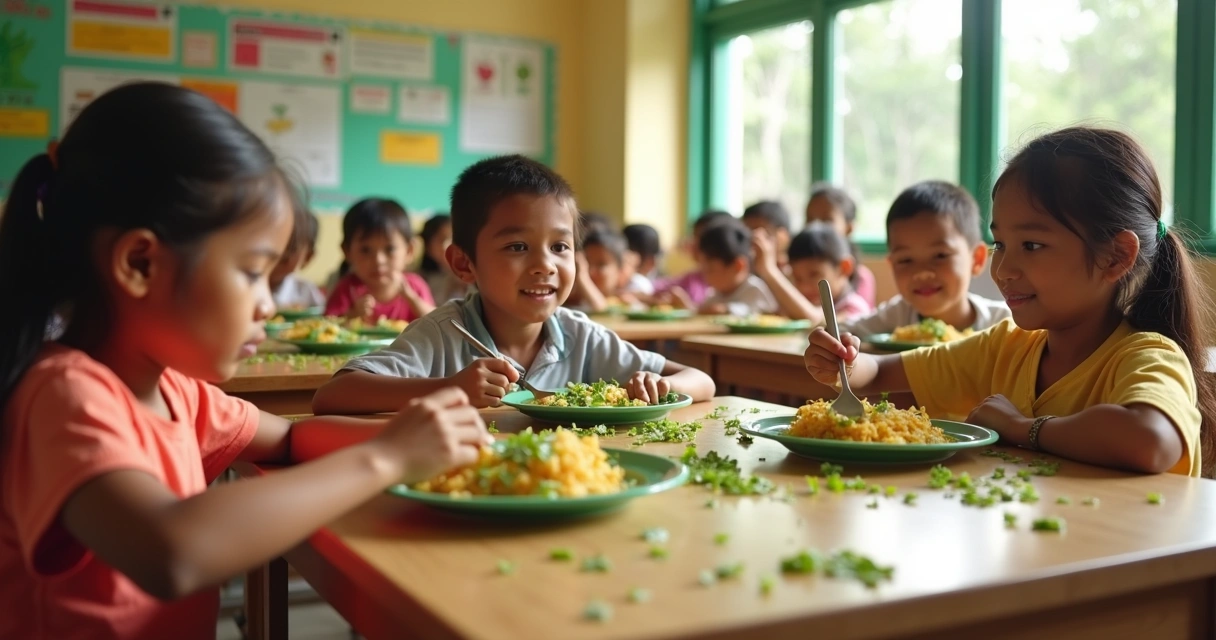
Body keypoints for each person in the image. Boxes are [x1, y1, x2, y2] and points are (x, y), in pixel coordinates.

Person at [0, 83, 490, 639]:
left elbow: (291, 438)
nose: (267, 303)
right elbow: (172, 550)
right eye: (253, 273)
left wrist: (423, 440)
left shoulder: (177, 392)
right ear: (140, 264)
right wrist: (386, 459)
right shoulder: (62, 395)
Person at [805, 127, 1213, 477]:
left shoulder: (1147, 356)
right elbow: (880, 373)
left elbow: (1150, 441)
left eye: (1031, 245)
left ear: (1115, 256)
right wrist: (848, 363)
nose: (1002, 270)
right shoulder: (1006, 348)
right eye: (1000, 243)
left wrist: (1022, 428)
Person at [312, 155, 715, 414]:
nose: (544, 266)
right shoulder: (443, 334)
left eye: (560, 247)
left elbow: (702, 380)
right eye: (518, 246)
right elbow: (333, 395)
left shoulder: (581, 336)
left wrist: (660, 384)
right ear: (463, 263)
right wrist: (447, 388)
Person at [842, 180, 1009, 336]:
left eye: (940, 256)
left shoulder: (1003, 323)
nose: (922, 273)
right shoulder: (897, 316)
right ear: (892, 265)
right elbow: (840, 332)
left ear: (976, 259)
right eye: (905, 260)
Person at [324, 198, 435, 322]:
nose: (378, 260)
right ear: (347, 252)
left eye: (390, 249)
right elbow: (327, 325)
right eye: (365, 250)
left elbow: (436, 322)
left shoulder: (415, 287)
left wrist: (412, 299)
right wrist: (352, 314)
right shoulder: (346, 289)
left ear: (409, 251)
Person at [755, 223, 871, 323]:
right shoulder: (813, 304)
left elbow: (817, 322)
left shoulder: (855, 309)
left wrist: (770, 271)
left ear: (844, 268)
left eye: (814, 275)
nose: (805, 287)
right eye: (798, 278)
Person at [806, 183, 877, 306]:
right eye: (810, 219)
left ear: (849, 228)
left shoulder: (862, 278)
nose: (816, 226)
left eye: (827, 220)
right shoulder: (798, 271)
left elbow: (857, 316)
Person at [694, 220, 778, 316]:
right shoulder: (715, 294)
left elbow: (756, 312)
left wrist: (726, 309)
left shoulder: (755, 289)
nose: (705, 276)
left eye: (710, 269)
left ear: (738, 265)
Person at [268, 204, 325, 311]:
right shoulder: (246, 287)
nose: (279, 252)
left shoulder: (306, 291)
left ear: (307, 257)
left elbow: (324, 317)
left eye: (290, 247)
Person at [419, 213, 470, 303]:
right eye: (441, 240)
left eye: (454, 238)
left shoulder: (473, 273)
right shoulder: (423, 280)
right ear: (428, 247)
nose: (447, 245)